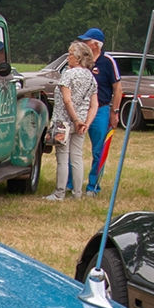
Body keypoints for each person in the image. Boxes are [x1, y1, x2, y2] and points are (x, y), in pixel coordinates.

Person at [44, 41, 98, 201]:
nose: (68, 57)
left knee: (62, 158)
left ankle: (59, 193)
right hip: (81, 122)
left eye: (70, 54)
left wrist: (74, 120)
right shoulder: (91, 77)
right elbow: (94, 104)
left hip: (64, 122)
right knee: (77, 157)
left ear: (79, 58)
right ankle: (78, 193)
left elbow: (67, 101)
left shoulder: (68, 74)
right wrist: (86, 122)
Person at [78, 27, 126, 195]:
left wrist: (115, 111)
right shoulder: (81, 61)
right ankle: (71, 184)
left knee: (99, 150)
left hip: (101, 109)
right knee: (74, 147)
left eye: (86, 42)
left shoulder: (107, 62)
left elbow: (118, 89)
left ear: (95, 45)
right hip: (81, 110)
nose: (83, 44)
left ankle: (93, 186)